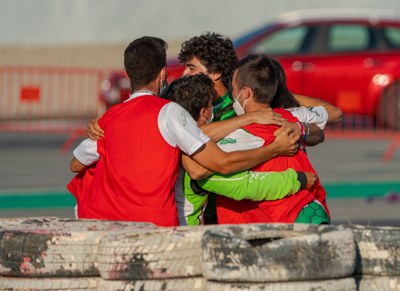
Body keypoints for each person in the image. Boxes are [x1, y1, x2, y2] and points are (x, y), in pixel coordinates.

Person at [68, 36, 300, 227]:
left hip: (104, 219)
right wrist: (275, 149)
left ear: (128, 75)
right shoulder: (171, 111)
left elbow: (76, 164)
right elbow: (219, 164)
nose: (185, 74)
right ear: (162, 74)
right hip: (158, 224)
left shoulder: (111, 116)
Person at [164, 74, 317, 225]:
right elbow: (247, 185)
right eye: (212, 105)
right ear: (205, 112)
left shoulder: (168, 137)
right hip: (184, 236)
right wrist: (297, 179)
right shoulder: (198, 161)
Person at [210, 54, 331, 224]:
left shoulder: (242, 134)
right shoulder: (294, 115)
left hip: (279, 220)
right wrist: (302, 128)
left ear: (245, 93)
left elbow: (208, 156)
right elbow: (329, 118)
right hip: (312, 210)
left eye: (233, 89)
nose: (231, 95)